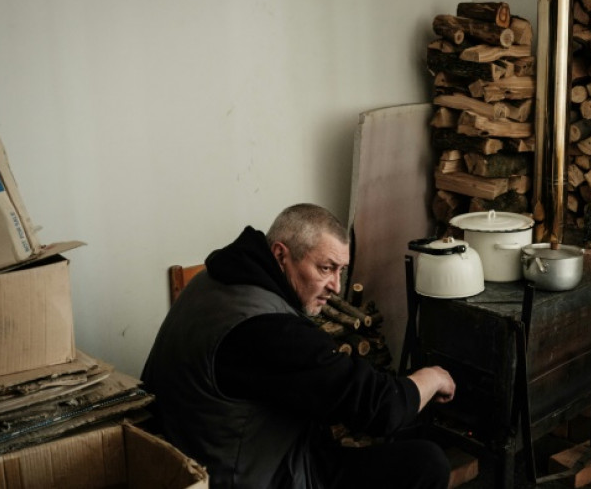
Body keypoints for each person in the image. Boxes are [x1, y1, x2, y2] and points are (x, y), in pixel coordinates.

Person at [141, 203, 456, 489]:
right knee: (425, 463)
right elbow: (381, 408)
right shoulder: (266, 329)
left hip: (202, 453)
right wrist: (433, 376)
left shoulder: (214, 279)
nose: (335, 286)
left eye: (340, 271)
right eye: (325, 268)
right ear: (281, 255)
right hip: (240, 477)